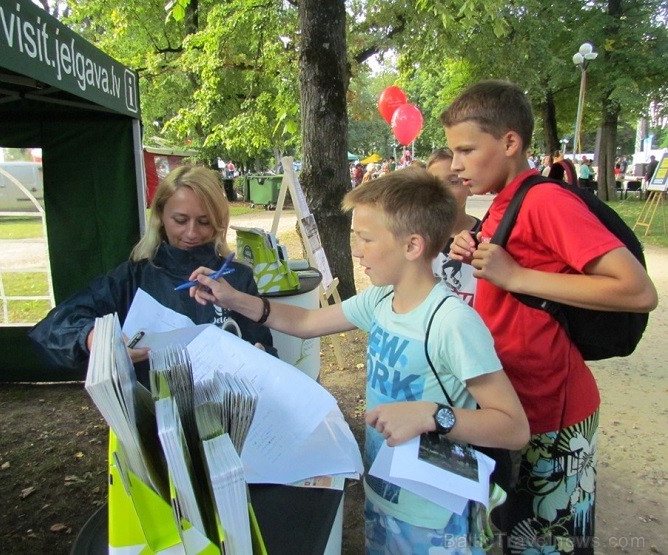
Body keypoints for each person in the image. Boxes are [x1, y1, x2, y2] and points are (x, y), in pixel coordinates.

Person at [186, 166, 530, 553]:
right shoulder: (381, 300)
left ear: (412, 246)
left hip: (434, 516)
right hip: (383, 493)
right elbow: (305, 321)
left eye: (365, 238)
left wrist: (433, 415)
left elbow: (514, 428)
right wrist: (233, 299)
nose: (355, 250)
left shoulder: (453, 323)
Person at [444, 80, 658, 555]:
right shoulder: (504, 202)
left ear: (510, 142)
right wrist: (472, 245)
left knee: (548, 546)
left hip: (553, 414)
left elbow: (638, 290)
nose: (456, 165)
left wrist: (515, 275)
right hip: (515, 406)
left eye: (465, 150)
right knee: (517, 536)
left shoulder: (545, 200)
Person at [28, 165, 275, 385]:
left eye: (204, 222)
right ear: (160, 216)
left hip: (228, 418)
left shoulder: (237, 278)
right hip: (154, 420)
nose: (191, 233)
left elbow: (267, 351)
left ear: (219, 222)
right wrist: (97, 341)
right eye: (180, 220)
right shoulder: (133, 278)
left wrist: (262, 359)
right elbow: (53, 327)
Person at [427, 147, 481, 307]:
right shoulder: (415, 238)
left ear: (469, 186)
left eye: (453, 181)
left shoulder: (485, 236)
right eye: (434, 183)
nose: (442, 191)